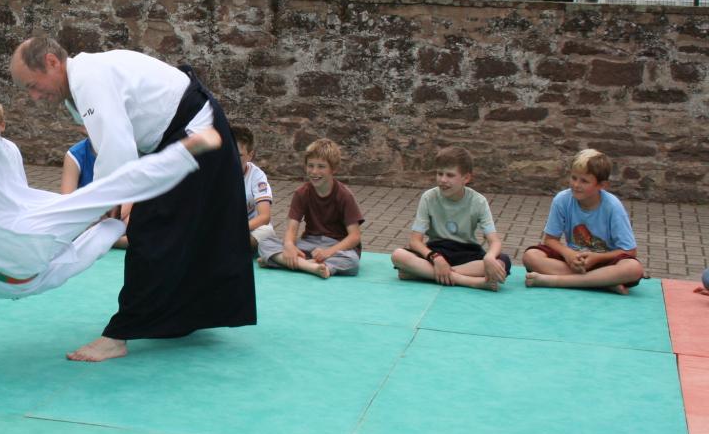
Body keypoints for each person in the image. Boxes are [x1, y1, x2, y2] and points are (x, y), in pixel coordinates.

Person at [10, 36, 256, 363]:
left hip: (197, 137)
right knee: (188, 231)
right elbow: (108, 143)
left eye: (32, 85)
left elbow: (118, 150)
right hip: (188, 134)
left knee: (152, 231)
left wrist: (104, 204)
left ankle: (118, 335)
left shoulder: (88, 79)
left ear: (52, 62)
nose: (35, 96)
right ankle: (187, 316)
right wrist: (108, 201)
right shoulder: (82, 82)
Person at [0, 109, 221, 298]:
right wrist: (109, 226)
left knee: (108, 191)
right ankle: (184, 152)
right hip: (16, 250)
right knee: (110, 189)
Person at [523, 149, 645, 294]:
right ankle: (603, 283)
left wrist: (597, 258)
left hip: (604, 264)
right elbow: (550, 240)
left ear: (602, 185)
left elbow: (630, 251)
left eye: (584, 181)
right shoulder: (562, 200)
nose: (576, 185)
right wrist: (568, 254)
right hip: (574, 262)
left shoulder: (612, 206)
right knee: (531, 256)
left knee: (633, 268)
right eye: (574, 178)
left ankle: (556, 281)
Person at [390, 146, 508, 291]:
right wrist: (436, 258)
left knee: (502, 262)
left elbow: (494, 240)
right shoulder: (429, 197)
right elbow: (415, 241)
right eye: (440, 174)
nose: (443, 180)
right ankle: (468, 281)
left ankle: (424, 274)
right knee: (398, 255)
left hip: (467, 252)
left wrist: (489, 257)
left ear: (466, 178)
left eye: (450, 175)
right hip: (437, 250)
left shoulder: (479, 201)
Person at [259, 137, 364, 278]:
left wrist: (328, 252)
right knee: (265, 243)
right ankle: (312, 266)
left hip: (337, 246)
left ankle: (282, 261)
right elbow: (291, 229)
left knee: (352, 262)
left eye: (321, 166)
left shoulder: (344, 195)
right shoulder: (301, 193)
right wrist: (289, 245)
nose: (314, 172)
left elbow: (355, 236)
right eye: (310, 166)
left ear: (333, 169)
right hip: (309, 244)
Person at [60, 129, 129, 250]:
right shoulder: (75, 155)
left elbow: (131, 197)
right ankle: (110, 240)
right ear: (83, 127)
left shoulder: (125, 152)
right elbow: (67, 199)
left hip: (118, 218)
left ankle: (110, 240)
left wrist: (115, 216)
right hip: (88, 217)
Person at [231, 126, 277, 253]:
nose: (233, 158)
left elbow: (264, 217)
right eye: (230, 151)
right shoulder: (215, 172)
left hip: (249, 228)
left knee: (267, 231)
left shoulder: (257, 176)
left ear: (250, 155)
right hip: (223, 228)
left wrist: (237, 229)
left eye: (239, 155)